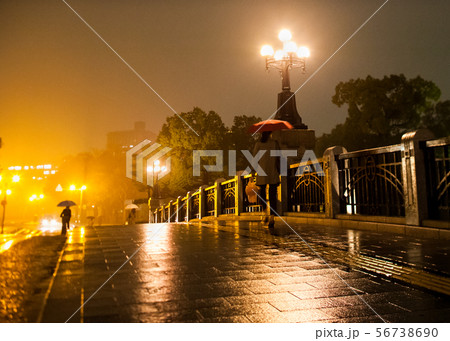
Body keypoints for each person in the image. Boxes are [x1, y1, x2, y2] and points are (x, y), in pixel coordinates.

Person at [252, 131, 280, 228]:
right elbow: (278, 157)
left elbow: (254, 158)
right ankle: (272, 216)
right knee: (273, 195)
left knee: (262, 194)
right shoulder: (274, 144)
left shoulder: (258, 144)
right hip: (272, 172)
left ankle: (264, 213)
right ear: (270, 134)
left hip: (262, 172)